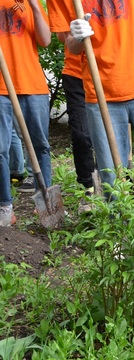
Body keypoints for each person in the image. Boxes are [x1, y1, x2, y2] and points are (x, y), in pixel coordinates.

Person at [56, 0, 134, 193]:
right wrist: (76, 37)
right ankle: (117, 220)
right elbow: (71, 45)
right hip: (101, 93)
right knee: (110, 171)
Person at [0, 0, 52, 226]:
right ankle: (5, 207)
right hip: (0, 87)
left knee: (40, 145)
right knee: (0, 149)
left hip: (32, 84)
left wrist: (34, 5)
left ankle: (45, 201)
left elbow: (46, 40)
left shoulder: (30, 4)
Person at [48, 2, 98, 212]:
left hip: (108, 72)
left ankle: (112, 183)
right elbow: (62, 37)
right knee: (81, 134)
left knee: (110, 133)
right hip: (76, 74)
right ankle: (89, 187)